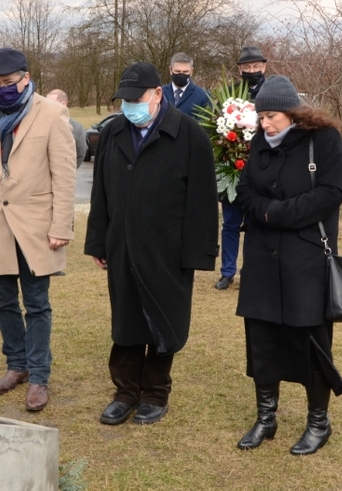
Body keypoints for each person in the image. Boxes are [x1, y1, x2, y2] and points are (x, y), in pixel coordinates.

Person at [85, 62, 219, 426]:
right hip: (123, 245)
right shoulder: (113, 133)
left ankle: (156, 392)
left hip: (168, 251)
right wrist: (98, 239)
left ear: (157, 94)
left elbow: (203, 202)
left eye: (137, 98)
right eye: (123, 99)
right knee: (126, 320)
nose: (129, 105)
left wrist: (198, 253)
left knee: (163, 319)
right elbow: (101, 193)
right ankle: (126, 391)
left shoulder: (190, 135)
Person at [234, 75, 342, 455]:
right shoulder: (257, 145)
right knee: (262, 340)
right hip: (263, 261)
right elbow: (246, 190)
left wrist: (277, 214)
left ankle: (319, 422)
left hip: (306, 259)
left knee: (311, 342)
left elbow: (332, 192)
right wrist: (266, 213)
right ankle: (266, 418)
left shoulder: (324, 139)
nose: (264, 124)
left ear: (293, 112)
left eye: (271, 116)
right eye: (260, 116)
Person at [0, 47, 76, 412]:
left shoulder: (53, 114)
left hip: (37, 227)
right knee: (3, 301)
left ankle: (39, 375)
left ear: (25, 77)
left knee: (37, 304)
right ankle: (17, 364)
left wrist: (61, 227)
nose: (2, 89)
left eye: (8, 83)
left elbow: (65, 176)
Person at [215, 45, 269, 291]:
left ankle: (253, 270)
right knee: (231, 223)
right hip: (233, 168)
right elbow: (216, 126)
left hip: (262, 169)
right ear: (240, 69)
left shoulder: (271, 92)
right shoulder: (229, 96)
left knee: (257, 224)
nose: (252, 71)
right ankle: (227, 272)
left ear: (264, 67)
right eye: (247, 67)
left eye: (256, 67)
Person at [160, 52, 211, 118]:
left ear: (192, 71)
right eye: (177, 71)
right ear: (170, 70)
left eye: (185, 72)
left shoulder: (204, 96)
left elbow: (204, 124)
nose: (181, 75)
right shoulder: (159, 93)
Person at [45, 89, 87, 168]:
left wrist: (69, 170)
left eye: (50, 103)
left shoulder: (76, 127)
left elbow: (81, 152)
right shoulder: (40, 124)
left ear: (63, 104)